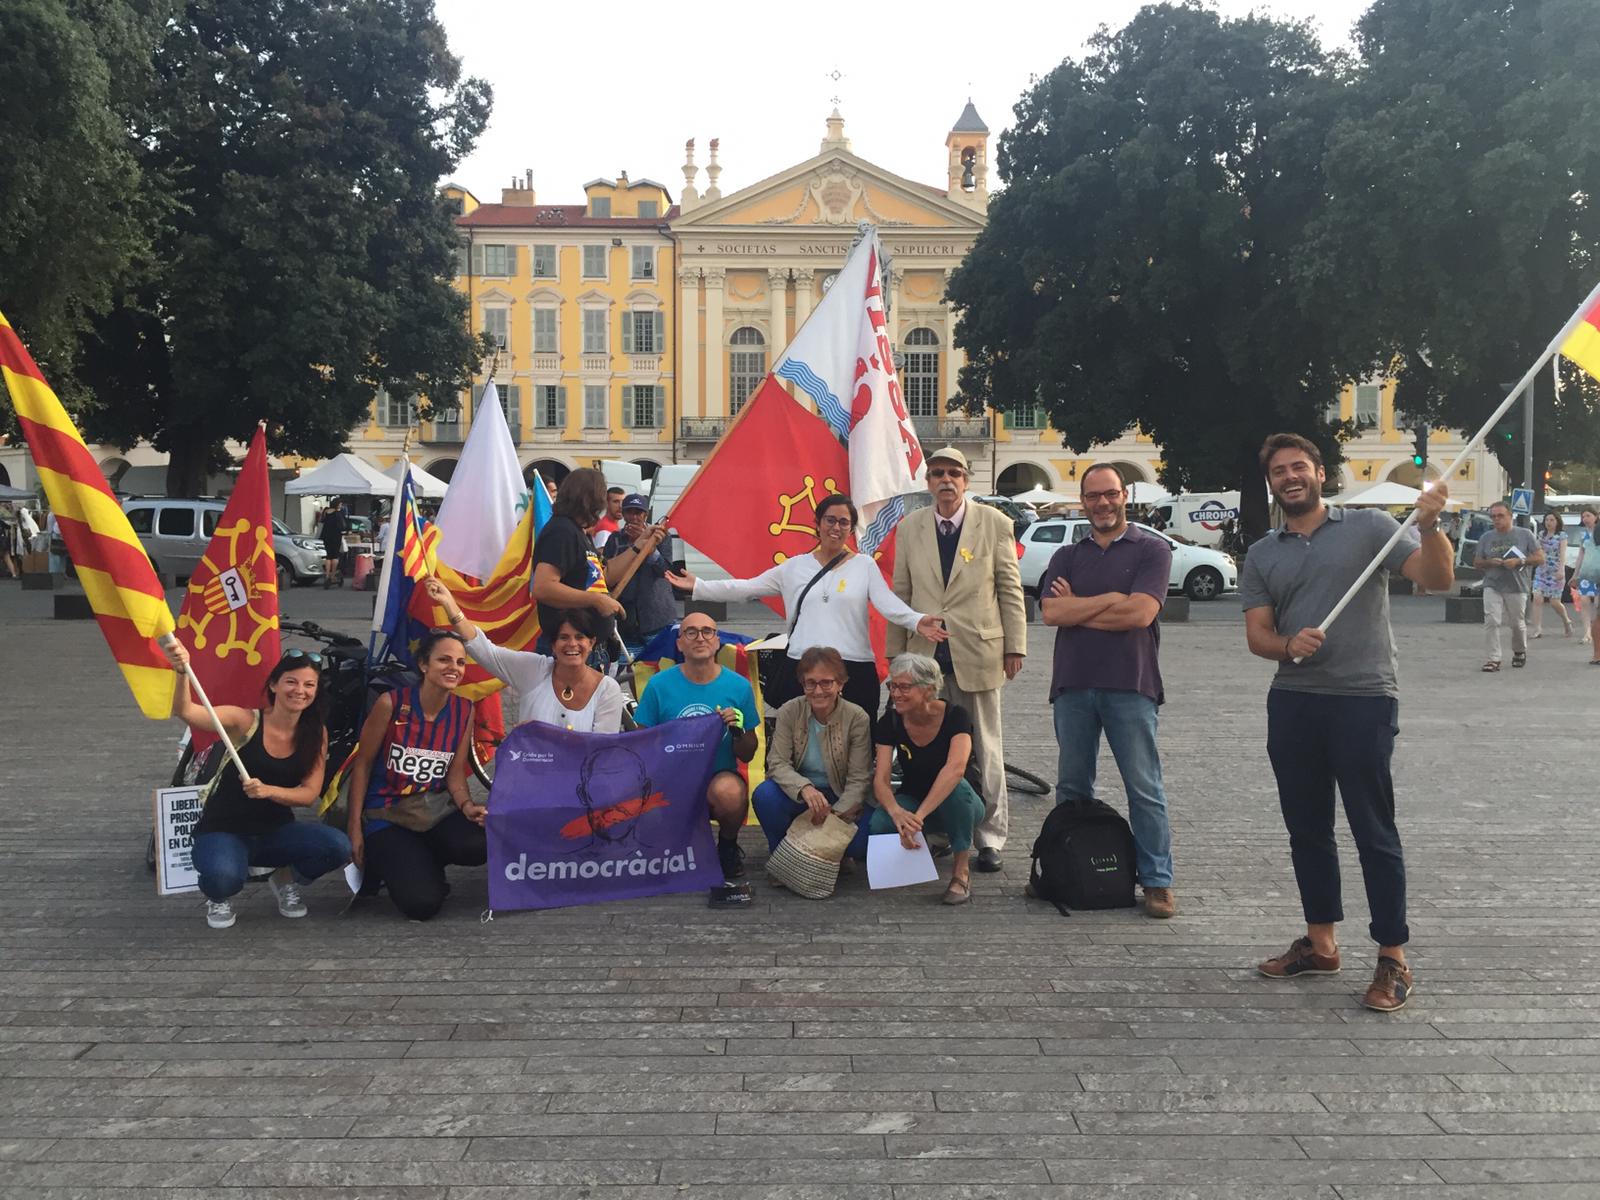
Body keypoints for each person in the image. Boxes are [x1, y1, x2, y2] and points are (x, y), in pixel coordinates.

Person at [1241, 432, 1454, 1013]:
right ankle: (1321, 944)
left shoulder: (1369, 527)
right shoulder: (1263, 553)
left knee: (1372, 830)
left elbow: (1436, 579)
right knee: (1307, 829)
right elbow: (1258, 636)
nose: (1290, 476)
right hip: (1294, 700)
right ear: (1271, 482)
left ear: (1320, 473)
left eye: (1299, 466)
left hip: (1363, 699)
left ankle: (1393, 957)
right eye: (1280, 470)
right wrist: (1288, 645)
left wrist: (1432, 525)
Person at [1038, 462, 1178, 919]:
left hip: (1131, 684)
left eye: (1110, 494)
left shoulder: (1152, 550)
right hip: (1073, 684)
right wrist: (1112, 600)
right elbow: (1051, 614)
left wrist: (1078, 608)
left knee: (1144, 788)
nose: (1103, 503)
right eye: (1094, 496)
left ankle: (1157, 881)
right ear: (1083, 501)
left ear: (1124, 497)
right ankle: (1068, 869)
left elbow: (1140, 615)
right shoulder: (1067, 555)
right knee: (1072, 787)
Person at [669, 494, 946, 717]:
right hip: (803, 665)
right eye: (830, 520)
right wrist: (699, 586)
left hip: (853, 666)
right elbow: (746, 588)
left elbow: (887, 603)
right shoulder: (794, 567)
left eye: (844, 522)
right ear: (818, 523)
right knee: (801, 741)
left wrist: (916, 620)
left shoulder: (865, 566)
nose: (836, 527)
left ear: (851, 529)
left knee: (859, 744)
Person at [886, 446, 1026, 873]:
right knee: (928, 749)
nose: (946, 480)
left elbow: (1009, 587)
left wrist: (1015, 646)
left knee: (986, 748)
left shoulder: (995, 523)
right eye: (937, 473)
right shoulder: (909, 527)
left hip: (978, 651)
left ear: (966, 480)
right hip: (924, 657)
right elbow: (901, 593)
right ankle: (943, 830)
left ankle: (991, 837)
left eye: (954, 473)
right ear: (928, 482)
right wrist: (895, 656)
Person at [160, 642, 351, 930]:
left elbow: (309, 794)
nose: (300, 690)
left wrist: (268, 791)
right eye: (291, 682)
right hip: (224, 829)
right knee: (223, 878)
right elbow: (187, 711)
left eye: (309, 685)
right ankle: (218, 895)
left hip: (275, 831)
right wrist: (181, 671)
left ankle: (285, 877)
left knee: (337, 846)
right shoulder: (245, 720)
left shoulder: (316, 733)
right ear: (274, 685)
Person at [345, 630, 484, 921]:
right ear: (423, 664)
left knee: (480, 845)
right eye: (444, 660)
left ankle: (419, 861)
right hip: (388, 814)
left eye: (460, 662)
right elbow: (363, 765)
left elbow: (455, 774)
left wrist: (467, 806)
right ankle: (390, 862)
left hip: (433, 810)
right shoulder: (391, 704)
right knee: (421, 905)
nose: (454, 668)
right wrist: (354, 827)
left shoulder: (464, 710)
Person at [631, 612, 758, 880]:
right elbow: (642, 744)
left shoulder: (739, 686)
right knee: (658, 855)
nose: (700, 638)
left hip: (717, 778)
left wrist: (738, 733)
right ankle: (675, 840)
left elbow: (748, 753)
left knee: (730, 793)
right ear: (679, 644)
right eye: (691, 632)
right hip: (671, 780)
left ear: (717, 641)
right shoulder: (658, 685)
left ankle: (727, 846)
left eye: (707, 631)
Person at [425, 578, 626, 733]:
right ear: (553, 646)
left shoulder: (607, 690)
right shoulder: (534, 670)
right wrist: (450, 605)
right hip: (528, 774)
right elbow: (485, 651)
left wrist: (540, 735)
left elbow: (601, 753)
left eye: (579, 637)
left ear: (591, 643)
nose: (572, 644)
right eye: (563, 637)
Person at [869, 653, 987, 906]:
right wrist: (896, 812)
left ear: (929, 689)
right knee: (879, 823)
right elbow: (881, 778)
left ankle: (961, 869)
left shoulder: (956, 716)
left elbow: (955, 769)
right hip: (915, 796)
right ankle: (932, 841)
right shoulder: (890, 721)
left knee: (956, 790)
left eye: (904, 687)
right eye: (892, 686)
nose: (896, 694)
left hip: (962, 801)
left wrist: (918, 817)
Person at [752, 646, 874, 864]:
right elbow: (777, 762)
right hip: (801, 794)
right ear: (802, 684)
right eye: (811, 683)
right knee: (765, 796)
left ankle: (830, 857)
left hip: (840, 794)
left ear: (840, 684)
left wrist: (834, 817)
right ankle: (784, 858)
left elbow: (859, 778)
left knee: (860, 844)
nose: (818, 691)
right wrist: (804, 788)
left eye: (826, 683)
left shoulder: (857, 717)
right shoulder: (789, 711)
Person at [532, 468, 623, 661]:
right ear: (591, 499)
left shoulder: (578, 532)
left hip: (588, 649)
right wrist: (596, 600)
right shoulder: (562, 531)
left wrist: (640, 545)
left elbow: (604, 575)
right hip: (569, 649)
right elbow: (543, 587)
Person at [601, 494, 676, 655]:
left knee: (659, 662)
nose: (634, 517)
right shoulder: (615, 539)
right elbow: (606, 572)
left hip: (656, 615)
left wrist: (650, 549)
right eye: (630, 512)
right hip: (626, 617)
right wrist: (634, 546)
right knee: (627, 663)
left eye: (638, 513)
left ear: (645, 515)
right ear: (623, 514)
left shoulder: (661, 537)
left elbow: (665, 571)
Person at [1472, 501, 1542, 671]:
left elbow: (1540, 558)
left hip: (1516, 585)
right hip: (1492, 584)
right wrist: (1489, 562)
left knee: (1516, 623)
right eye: (1493, 516)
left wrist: (1519, 561)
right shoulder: (1486, 537)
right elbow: (1477, 562)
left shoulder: (1525, 534)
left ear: (1510, 516)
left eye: (1500, 516)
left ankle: (1519, 651)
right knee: (1491, 620)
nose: (1497, 519)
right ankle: (1493, 658)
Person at [1530, 511, 1572, 639]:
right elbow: (1537, 550)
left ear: (1557, 521)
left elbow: (1563, 554)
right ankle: (1537, 628)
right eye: (1547, 520)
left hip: (1556, 570)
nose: (1549, 522)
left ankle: (1566, 620)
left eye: (1552, 520)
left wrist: (1561, 570)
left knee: (1554, 602)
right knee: (1537, 598)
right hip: (1542, 570)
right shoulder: (1541, 534)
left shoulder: (1562, 536)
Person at [1576, 508, 1599, 651]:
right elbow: (1581, 555)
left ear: (1596, 517)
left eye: (1588, 515)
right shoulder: (1584, 535)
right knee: (1584, 600)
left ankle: (1596, 630)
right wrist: (1575, 574)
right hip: (1586, 572)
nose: (1585, 519)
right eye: (1583, 516)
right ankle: (1587, 633)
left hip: (1598, 572)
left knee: (1597, 603)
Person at [318, 500, 347, 589]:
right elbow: (342, 526)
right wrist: (345, 531)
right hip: (336, 537)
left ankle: (327, 575)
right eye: (340, 504)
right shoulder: (338, 514)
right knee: (335, 556)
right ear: (337, 504)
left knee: (328, 556)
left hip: (326, 536)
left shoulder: (325, 512)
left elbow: (321, 522)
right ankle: (332, 576)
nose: (341, 506)